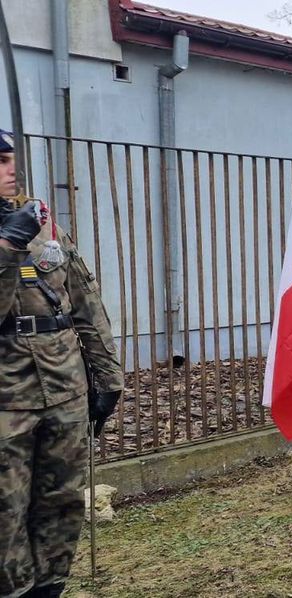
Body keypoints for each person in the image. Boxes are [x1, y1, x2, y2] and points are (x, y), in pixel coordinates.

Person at [1, 129, 124, 598]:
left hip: (63, 384)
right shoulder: (16, 235)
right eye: (0, 161)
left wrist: (107, 375)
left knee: (61, 498)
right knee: (6, 507)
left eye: (13, 158)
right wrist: (8, 248)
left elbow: (84, 303)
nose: (12, 169)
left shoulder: (44, 226)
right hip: (6, 397)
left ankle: (49, 588)